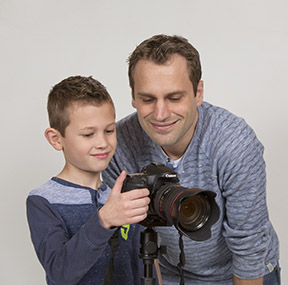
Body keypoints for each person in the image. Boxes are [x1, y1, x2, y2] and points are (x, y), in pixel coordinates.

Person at [102, 35, 280, 284]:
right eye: (147, 99)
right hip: (169, 271)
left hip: (241, 273)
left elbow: (247, 247)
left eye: (174, 98)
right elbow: (137, 238)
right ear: (132, 96)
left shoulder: (233, 143)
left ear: (198, 93)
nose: (160, 114)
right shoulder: (118, 145)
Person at [26, 75, 150, 285]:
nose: (102, 143)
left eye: (109, 130)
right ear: (56, 139)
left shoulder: (120, 199)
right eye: (88, 134)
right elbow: (61, 273)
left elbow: (140, 268)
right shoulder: (42, 201)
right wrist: (103, 221)